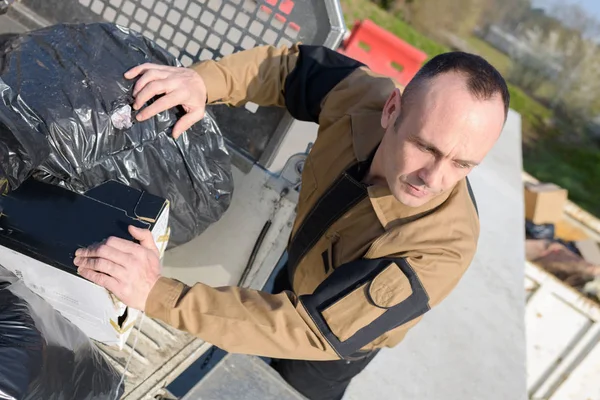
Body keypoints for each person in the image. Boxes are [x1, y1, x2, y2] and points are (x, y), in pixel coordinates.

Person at [74, 43, 509, 400]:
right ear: (392, 109)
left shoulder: (439, 250)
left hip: (332, 342)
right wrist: (204, 81)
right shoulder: (361, 98)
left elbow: (310, 329)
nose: (434, 178)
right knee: (273, 299)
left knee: (283, 390)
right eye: (425, 146)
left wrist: (157, 293)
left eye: (462, 164)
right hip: (303, 261)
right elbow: (290, 68)